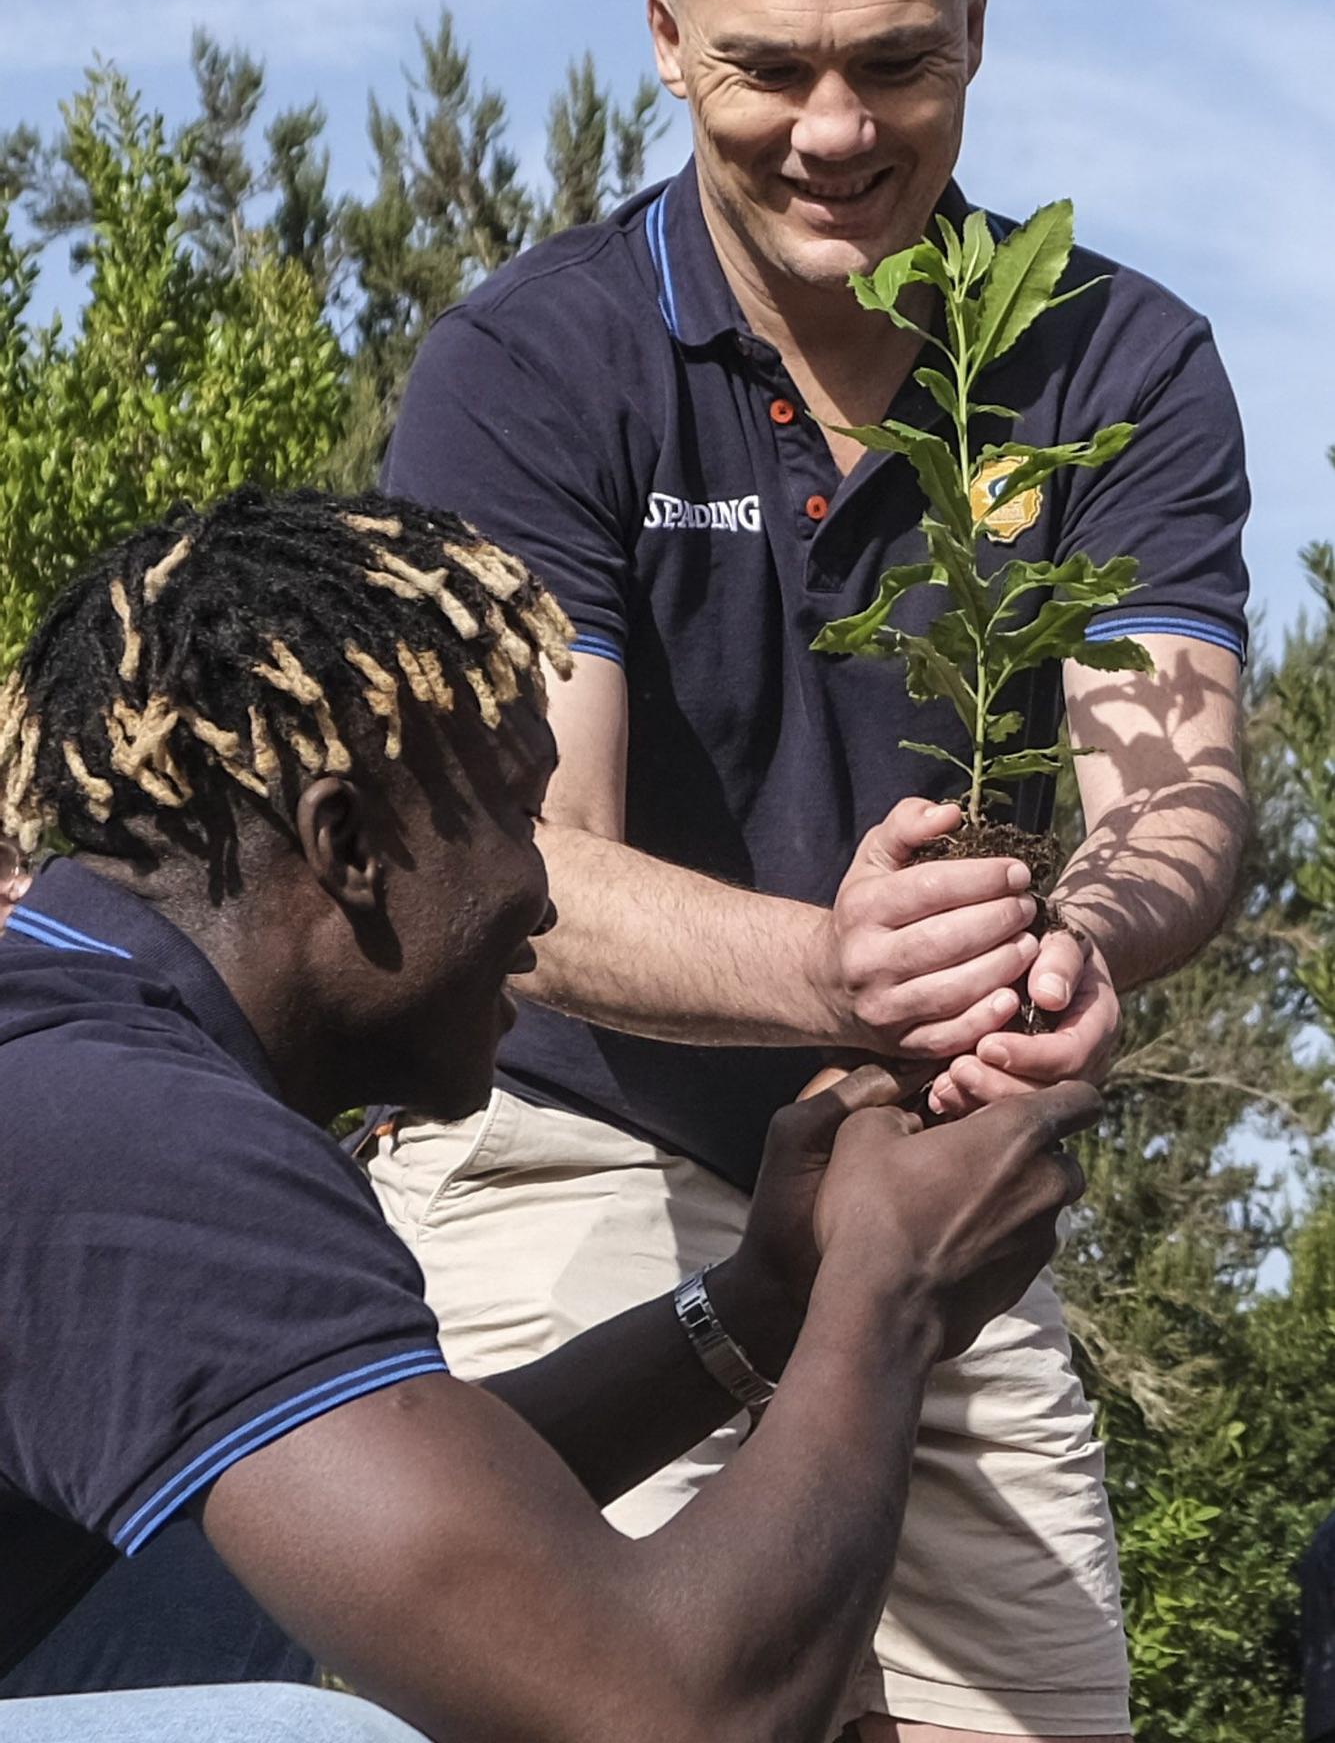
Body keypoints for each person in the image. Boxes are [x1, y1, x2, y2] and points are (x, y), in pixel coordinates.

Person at [379, 0, 1250, 1743]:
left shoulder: (1115, 367)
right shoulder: (533, 370)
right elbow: (520, 853)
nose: (835, 131)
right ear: (670, 42)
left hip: (936, 1167)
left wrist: (1088, 936)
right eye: (769, 69)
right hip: (576, 1148)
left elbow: (1174, 784)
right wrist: (823, 970)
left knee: (1029, 1710)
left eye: (893, 62)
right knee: (628, 1699)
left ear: (975, 27)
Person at [0, 485, 1098, 1742]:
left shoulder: (78, 1059)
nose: (541, 897)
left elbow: (428, 1515)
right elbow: (661, 1714)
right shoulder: (129, 1132)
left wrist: (771, 1298)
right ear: (347, 840)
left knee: (266, 1584)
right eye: (521, 818)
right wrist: (887, 1285)